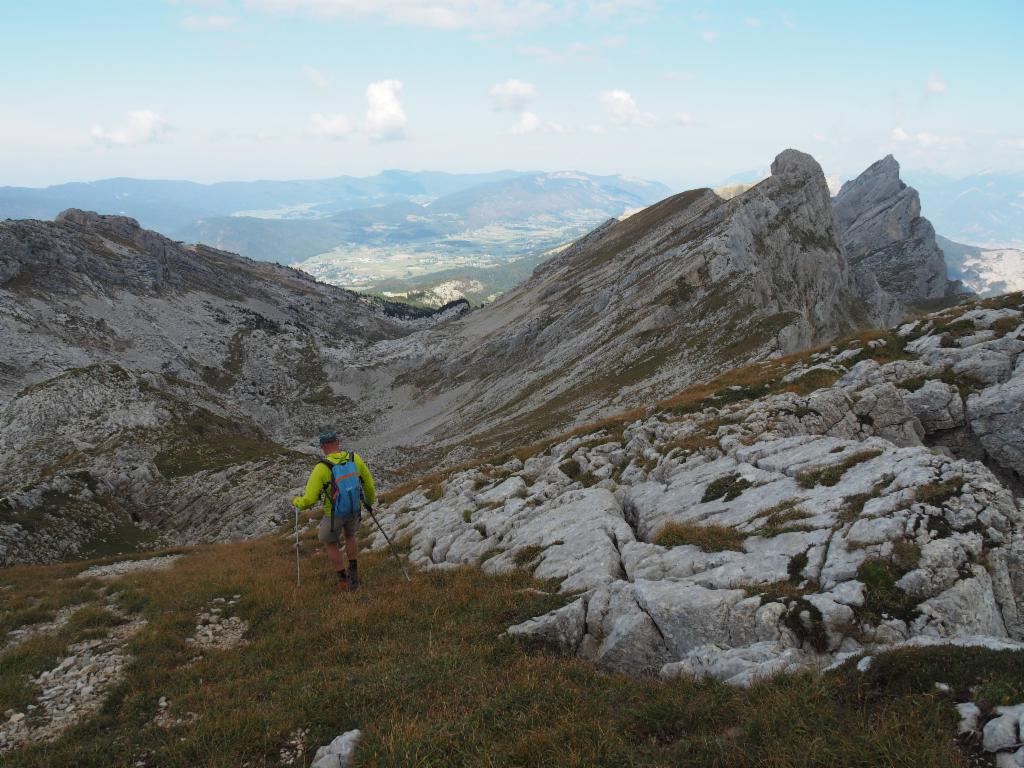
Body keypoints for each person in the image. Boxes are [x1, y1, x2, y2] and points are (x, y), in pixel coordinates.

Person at [292, 431, 376, 592]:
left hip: (334, 514)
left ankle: (343, 581)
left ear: (323, 447)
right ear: (338, 442)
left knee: (330, 542)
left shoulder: (321, 468)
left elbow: (309, 499)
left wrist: (296, 501)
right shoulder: (354, 458)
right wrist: (369, 502)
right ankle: (354, 573)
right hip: (354, 508)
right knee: (350, 536)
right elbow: (369, 485)